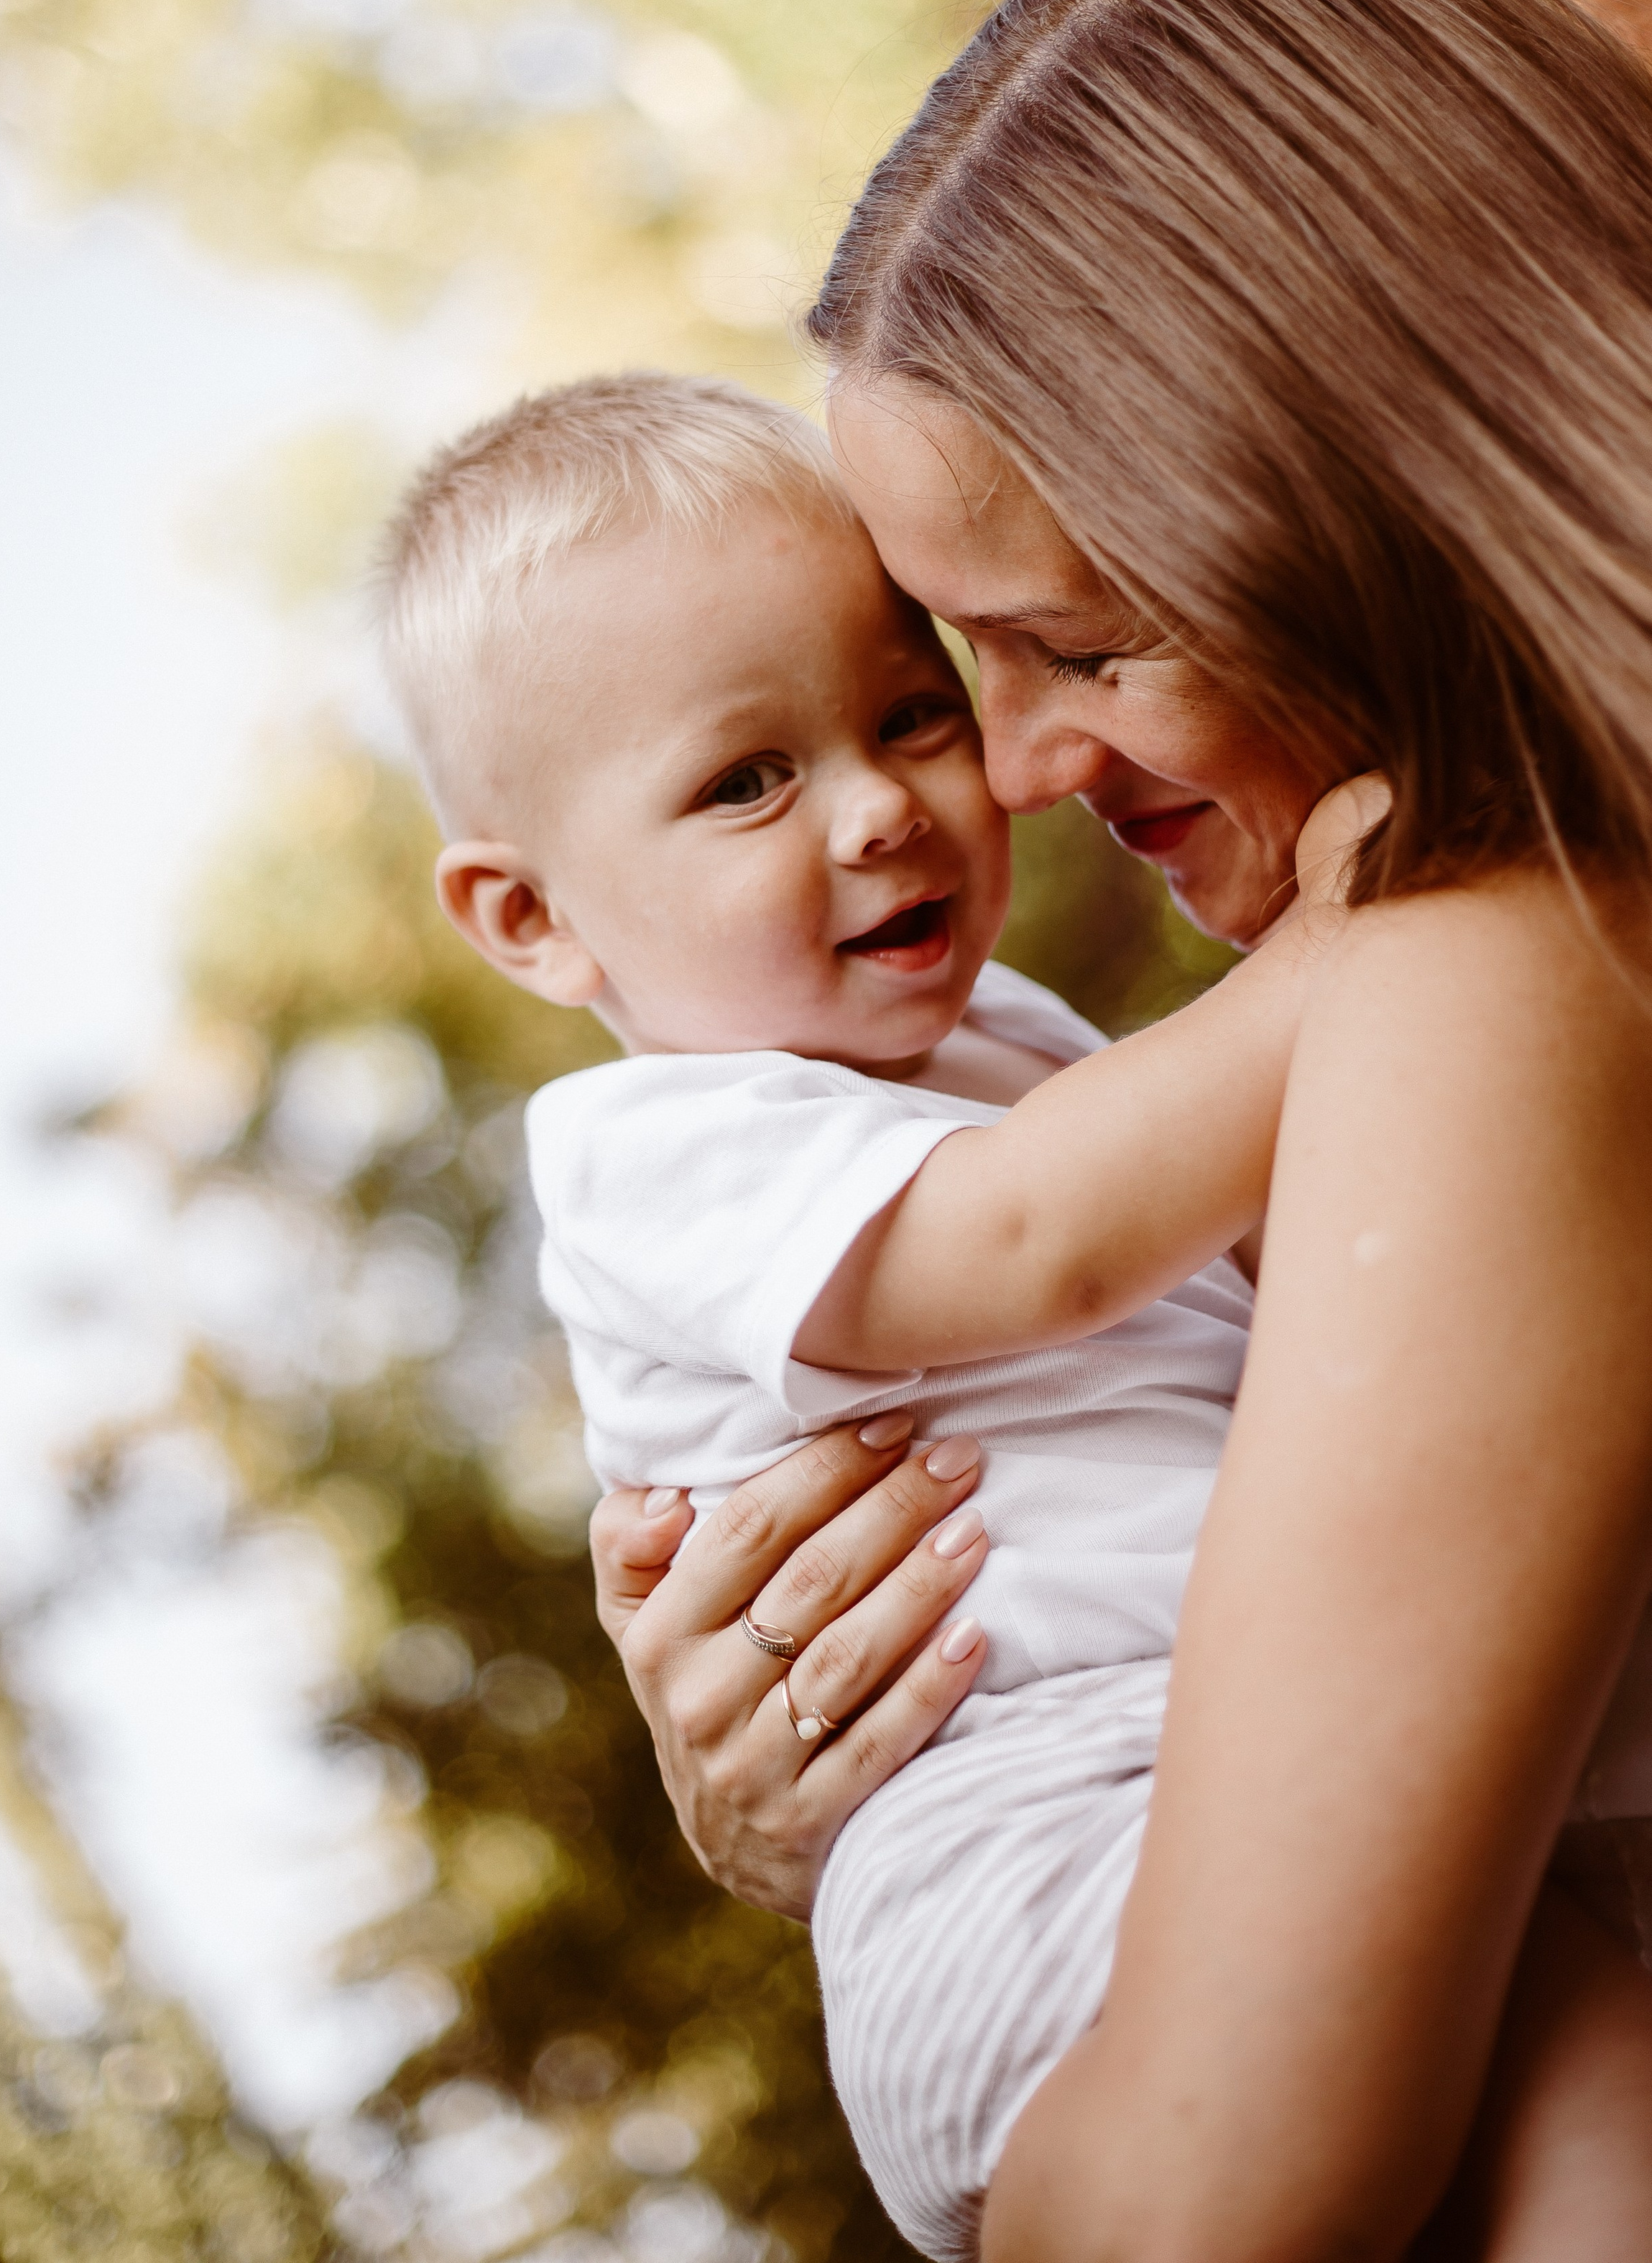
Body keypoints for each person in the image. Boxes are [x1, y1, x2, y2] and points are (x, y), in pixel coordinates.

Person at [587, 0, 1652, 2260]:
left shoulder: (1490, 953)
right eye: (967, 665)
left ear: (1381, 499)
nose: (1018, 772)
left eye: (1080, 642)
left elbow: (1195, 2199)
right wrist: (924, 1764)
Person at [379, 368, 1652, 2257]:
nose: (882, 809)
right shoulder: (655, 1150)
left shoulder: (1010, 1048)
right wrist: (1365, 926)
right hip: (1040, 1817)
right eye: (747, 781)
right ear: (532, 920)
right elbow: (1041, 1240)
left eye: (910, 713)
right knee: (1592, 2080)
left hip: (1212, 1746)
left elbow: (1290, 1286)